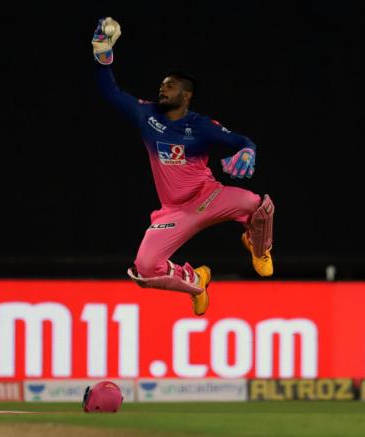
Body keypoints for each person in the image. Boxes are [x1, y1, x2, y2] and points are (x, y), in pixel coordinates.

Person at [92, 17, 274, 316]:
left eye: (170, 86)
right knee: (145, 268)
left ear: (186, 95)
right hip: (174, 213)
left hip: (209, 198)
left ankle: (258, 247)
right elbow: (111, 93)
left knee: (259, 206)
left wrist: (247, 152)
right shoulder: (146, 115)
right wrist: (102, 52)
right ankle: (197, 281)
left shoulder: (200, 126)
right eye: (162, 85)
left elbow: (243, 141)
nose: (162, 90)